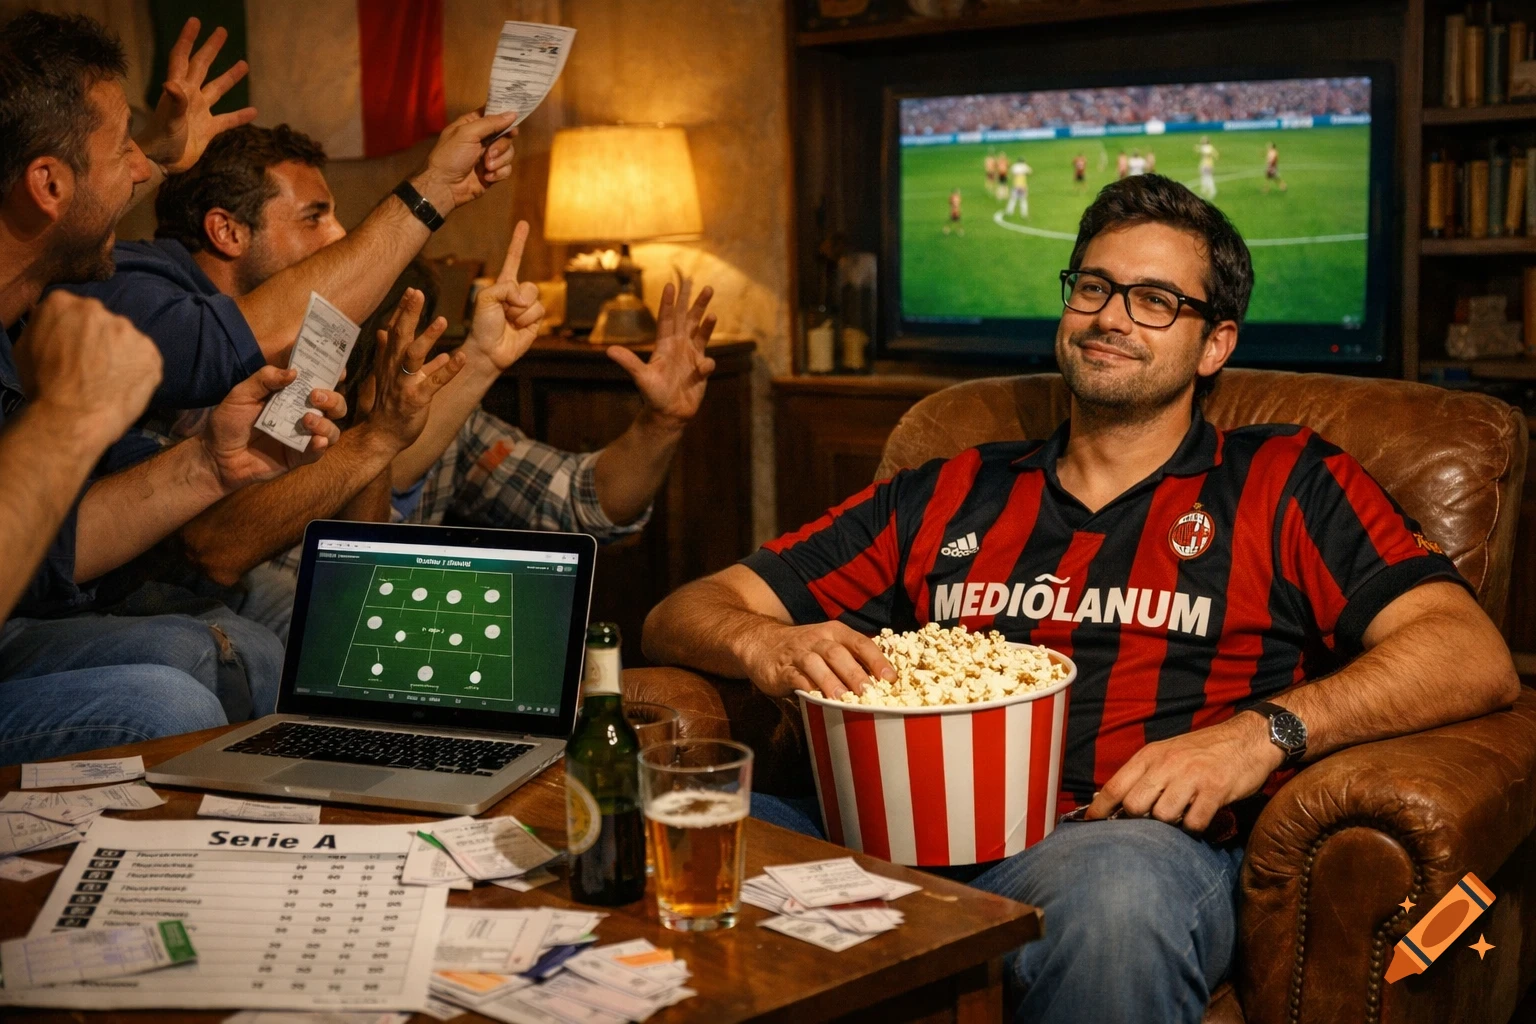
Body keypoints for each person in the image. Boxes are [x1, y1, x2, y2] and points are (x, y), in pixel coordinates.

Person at [642, 174, 1521, 1024]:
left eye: (1155, 300)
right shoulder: (950, 488)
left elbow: (1468, 652)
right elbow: (683, 611)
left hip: (1116, 842)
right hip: (888, 830)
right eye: (1094, 287)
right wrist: (767, 644)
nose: (1110, 317)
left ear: (1214, 344)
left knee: (1116, 904)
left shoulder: (1285, 481)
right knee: (654, 826)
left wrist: (1259, 735)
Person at [68, 123, 716, 640]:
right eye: (315, 218)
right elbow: (222, 548)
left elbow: (579, 503)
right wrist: (378, 437)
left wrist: (660, 422)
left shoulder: (400, 382)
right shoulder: (179, 365)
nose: (343, 238)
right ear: (226, 231)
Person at [0, 11, 335, 755]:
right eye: (126, 146)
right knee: (166, 696)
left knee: (239, 646)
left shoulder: (21, 311)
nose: (147, 169)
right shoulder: (129, 293)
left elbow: (53, 547)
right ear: (47, 183)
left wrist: (209, 463)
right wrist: (67, 416)